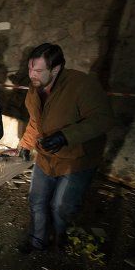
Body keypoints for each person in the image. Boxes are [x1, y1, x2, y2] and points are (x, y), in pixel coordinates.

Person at [17, 43, 114, 253]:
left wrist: (65, 136)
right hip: (46, 157)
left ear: (56, 69)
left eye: (39, 71)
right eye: (30, 69)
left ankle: (61, 236)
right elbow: (35, 122)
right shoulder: (34, 91)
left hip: (76, 160)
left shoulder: (82, 85)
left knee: (62, 207)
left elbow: (103, 119)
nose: (32, 75)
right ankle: (37, 240)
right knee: (37, 200)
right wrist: (25, 145)